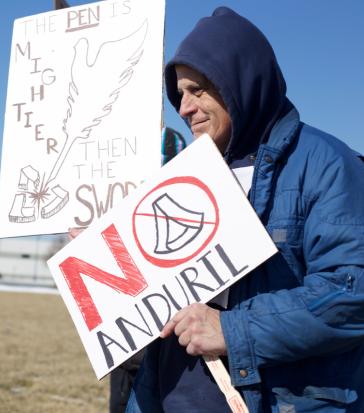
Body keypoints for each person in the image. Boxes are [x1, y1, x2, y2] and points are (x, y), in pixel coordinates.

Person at [127, 7, 364, 413]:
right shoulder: (180, 174)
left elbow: (351, 293)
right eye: (179, 94)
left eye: (198, 89)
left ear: (240, 81)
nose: (183, 108)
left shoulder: (327, 165)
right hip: (168, 398)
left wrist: (232, 330)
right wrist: (104, 250)